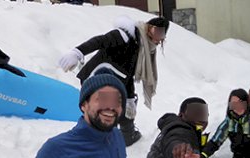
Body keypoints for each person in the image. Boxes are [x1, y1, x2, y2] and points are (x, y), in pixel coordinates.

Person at [59, 16, 170, 146]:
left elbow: (128, 75)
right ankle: (92, 143)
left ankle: (128, 135)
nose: (158, 36)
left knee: (124, 107)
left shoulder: (141, 48)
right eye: (156, 30)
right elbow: (100, 41)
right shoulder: (127, 35)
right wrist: (77, 53)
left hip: (116, 82)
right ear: (148, 27)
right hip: (97, 79)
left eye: (162, 33)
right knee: (102, 112)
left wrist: (129, 99)